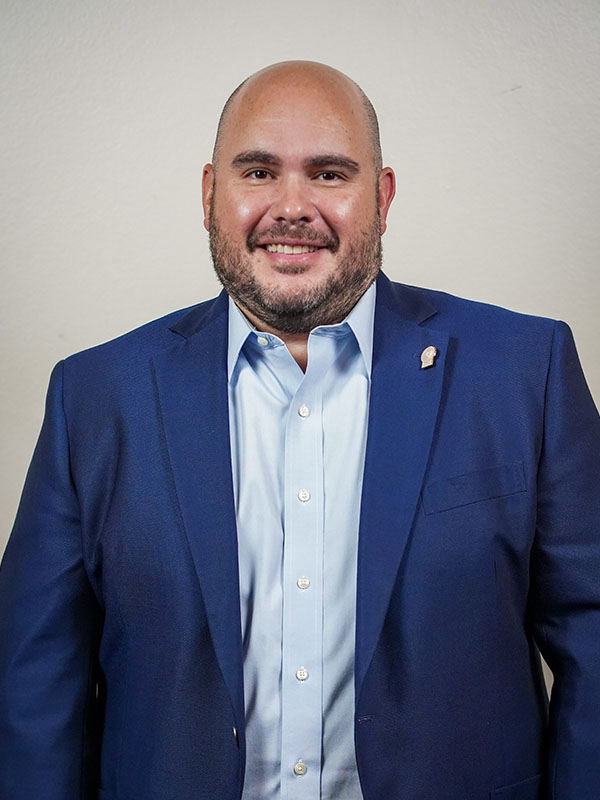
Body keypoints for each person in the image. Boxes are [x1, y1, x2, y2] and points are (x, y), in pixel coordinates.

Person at [0, 60, 599, 800]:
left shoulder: (525, 371)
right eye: (257, 172)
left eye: (328, 174)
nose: (291, 207)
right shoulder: (94, 396)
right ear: (209, 194)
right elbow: (35, 683)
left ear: (382, 197)